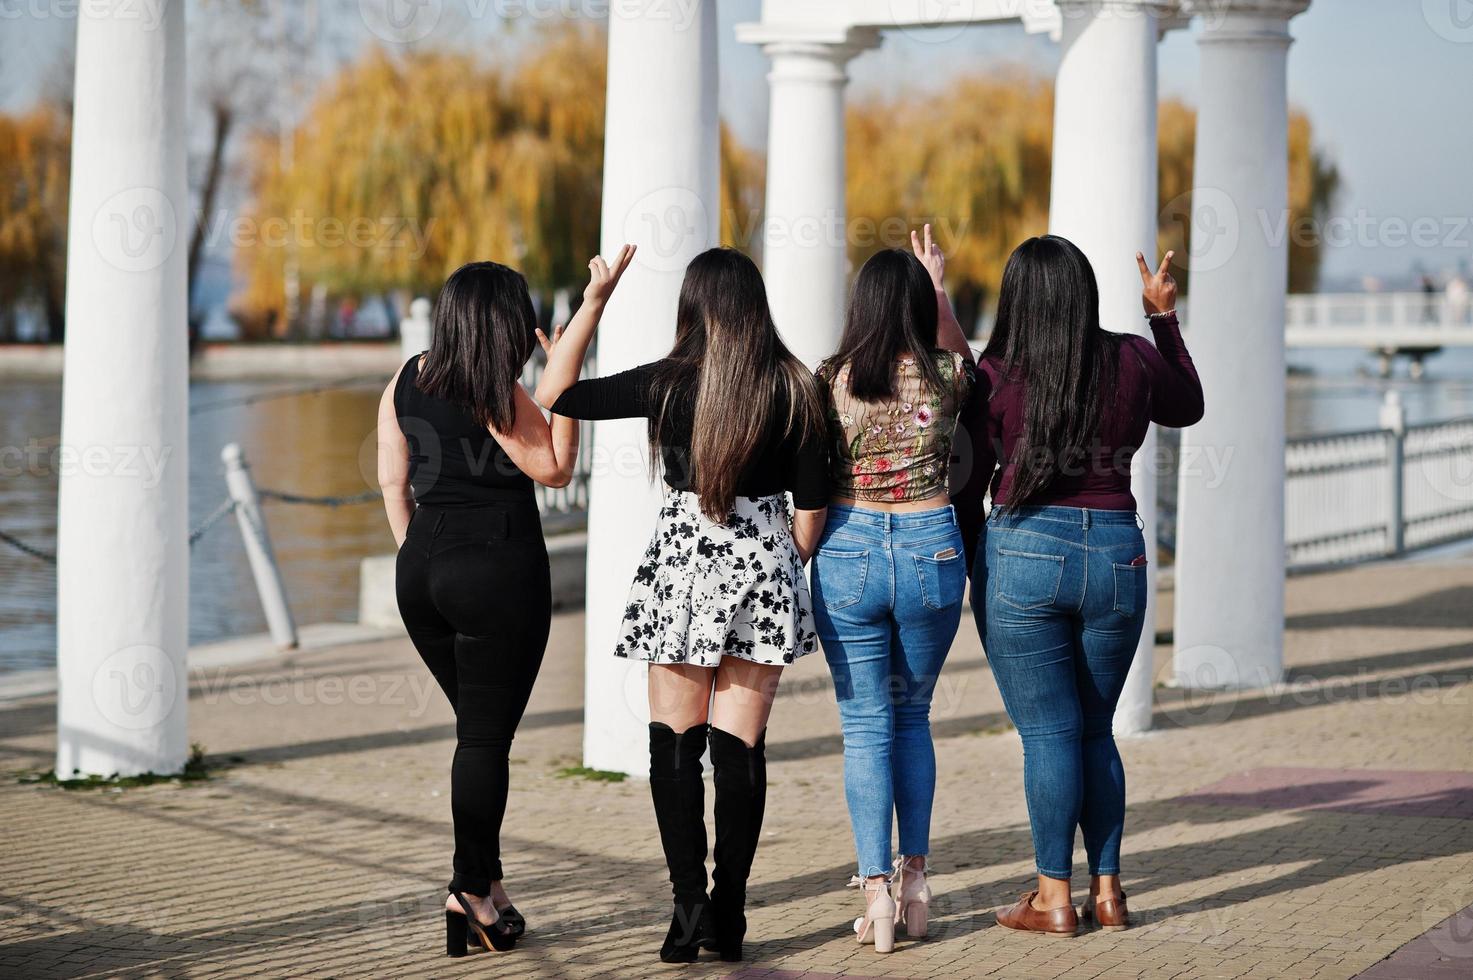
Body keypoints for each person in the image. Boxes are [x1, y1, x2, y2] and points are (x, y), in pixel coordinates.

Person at [536, 246, 828, 964]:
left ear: (691, 309)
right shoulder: (796, 386)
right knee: (739, 748)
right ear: (755, 308)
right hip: (764, 563)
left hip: (683, 567)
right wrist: (769, 554)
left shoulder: (667, 383)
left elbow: (554, 393)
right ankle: (729, 913)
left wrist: (594, 301)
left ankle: (685, 908)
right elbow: (812, 517)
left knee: (674, 743)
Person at [377, 252, 632, 957]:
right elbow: (552, 467)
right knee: (483, 741)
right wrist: (570, 397)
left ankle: (488, 887)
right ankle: (466, 888)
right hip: (495, 572)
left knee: (476, 733)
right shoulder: (493, 391)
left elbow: (391, 481)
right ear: (505, 323)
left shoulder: (406, 378)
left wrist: (417, 558)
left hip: (420, 571)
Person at [952, 238, 1203, 938]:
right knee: (1096, 730)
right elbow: (1187, 406)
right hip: (1119, 552)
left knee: (1048, 735)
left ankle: (1052, 898)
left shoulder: (995, 372)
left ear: (1015, 298)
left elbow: (967, 484)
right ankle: (1109, 892)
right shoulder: (1129, 355)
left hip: (1025, 549)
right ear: (1086, 292)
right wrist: (1162, 318)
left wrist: (978, 562)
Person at [810, 226, 975, 954]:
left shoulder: (829, 379)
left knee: (866, 726)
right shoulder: (946, 376)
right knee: (913, 717)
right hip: (929, 546)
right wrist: (938, 286)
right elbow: (970, 358)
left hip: (848, 550)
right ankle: (915, 883)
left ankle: (873, 892)